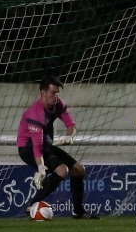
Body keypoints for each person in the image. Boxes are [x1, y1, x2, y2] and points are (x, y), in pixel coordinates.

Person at [17, 76, 100, 219]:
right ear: (43, 93)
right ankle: (31, 207)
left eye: (57, 93)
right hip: (28, 148)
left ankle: (78, 211)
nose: (56, 96)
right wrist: (41, 167)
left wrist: (70, 136)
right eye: (53, 93)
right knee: (62, 170)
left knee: (79, 170)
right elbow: (37, 146)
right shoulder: (35, 114)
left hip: (45, 145)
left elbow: (70, 125)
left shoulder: (58, 104)